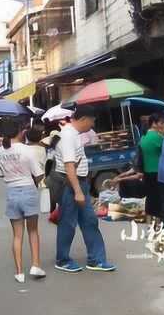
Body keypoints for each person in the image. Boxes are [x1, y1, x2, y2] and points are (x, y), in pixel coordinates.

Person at [54, 105, 115, 273]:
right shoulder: (68, 135)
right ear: (83, 119)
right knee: (68, 223)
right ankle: (63, 259)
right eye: (92, 121)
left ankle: (96, 259)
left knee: (90, 221)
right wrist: (78, 191)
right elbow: (69, 166)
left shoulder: (74, 135)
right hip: (71, 185)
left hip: (80, 184)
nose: (92, 125)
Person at [0, 119, 45, 283]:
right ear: (19, 131)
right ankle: (36, 266)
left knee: (17, 235)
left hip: (11, 193)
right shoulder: (27, 150)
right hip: (28, 191)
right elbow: (39, 174)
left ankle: (19, 272)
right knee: (33, 231)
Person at [139, 113, 164, 221]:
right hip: (158, 172)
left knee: (150, 196)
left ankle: (150, 221)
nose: (162, 125)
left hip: (147, 171)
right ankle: (160, 221)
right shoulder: (157, 137)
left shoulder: (143, 137)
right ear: (154, 123)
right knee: (160, 197)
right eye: (161, 123)